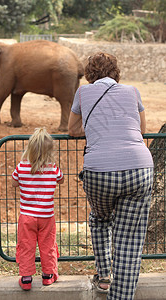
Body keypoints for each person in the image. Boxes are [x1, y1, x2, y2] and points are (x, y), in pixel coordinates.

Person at [68, 52, 154, 300]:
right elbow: (143, 129)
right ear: (116, 71)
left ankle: (104, 274)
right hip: (139, 170)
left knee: (100, 217)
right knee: (129, 240)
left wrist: (96, 125)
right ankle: (121, 296)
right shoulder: (133, 91)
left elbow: (72, 130)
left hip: (99, 173)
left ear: (89, 74)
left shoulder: (83, 93)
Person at [12, 128, 64, 290]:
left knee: (26, 245)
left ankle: (26, 278)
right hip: (46, 216)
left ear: (30, 148)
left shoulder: (21, 167)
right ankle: (48, 275)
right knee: (47, 244)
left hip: (27, 216)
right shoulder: (52, 168)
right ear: (49, 151)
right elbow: (60, 180)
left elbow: (14, 182)